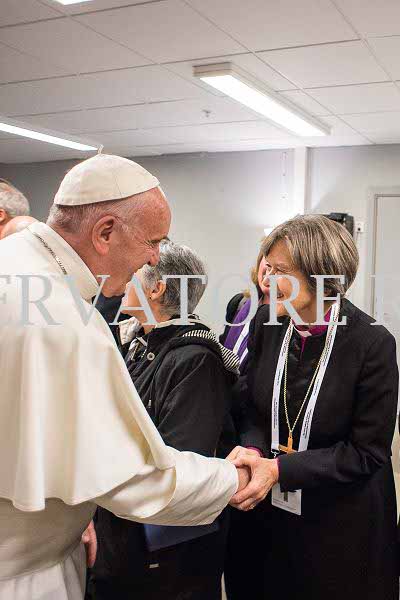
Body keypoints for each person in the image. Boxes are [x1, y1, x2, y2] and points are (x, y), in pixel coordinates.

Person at [0, 154, 249, 600]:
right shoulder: (63, 317)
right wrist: (233, 478)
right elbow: (133, 478)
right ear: (105, 232)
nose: (155, 257)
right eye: (153, 241)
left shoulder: (16, 263)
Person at [229, 214, 399, 600]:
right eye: (267, 267)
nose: (266, 280)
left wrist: (279, 469)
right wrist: (254, 449)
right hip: (270, 513)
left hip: (338, 523)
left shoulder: (372, 344)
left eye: (280, 271)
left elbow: (367, 452)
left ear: (323, 277)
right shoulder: (266, 323)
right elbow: (253, 406)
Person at [92, 239, 239, 600]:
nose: (122, 279)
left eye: (133, 274)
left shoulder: (195, 360)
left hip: (165, 548)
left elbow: (179, 463)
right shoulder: (137, 343)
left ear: (156, 290)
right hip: (125, 528)